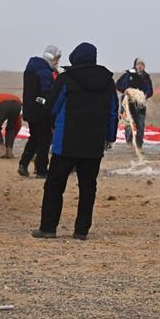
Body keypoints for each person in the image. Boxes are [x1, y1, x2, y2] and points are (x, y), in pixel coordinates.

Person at [32, 42, 117, 241]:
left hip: (66, 142)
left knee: (55, 185)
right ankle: (81, 230)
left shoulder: (65, 79)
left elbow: (52, 107)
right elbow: (113, 112)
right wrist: (109, 138)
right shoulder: (107, 82)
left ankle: (48, 228)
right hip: (94, 144)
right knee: (88, 187)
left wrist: (53, 124)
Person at [18, 45, 61, 178]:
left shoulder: (31, 70)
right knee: (44, 140)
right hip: (41, 112)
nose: (57, 62)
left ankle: (23, 164)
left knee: (34, 138)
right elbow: (46, 93)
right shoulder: (45, 72)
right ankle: (41, 170)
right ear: (50, 58)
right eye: (56, 59)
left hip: (30, 111)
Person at [116, 58, 154, 152]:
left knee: (140, 126)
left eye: (142, 64)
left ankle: (139, 146)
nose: (140, 66)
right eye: (138, 64)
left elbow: (150, 90)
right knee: (128, 124)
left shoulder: (146, 77)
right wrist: (125, 90)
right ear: (135, 65)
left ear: (144, 66)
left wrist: (145, 95)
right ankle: (129, 143)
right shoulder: (128, 75)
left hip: (140, 106)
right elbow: (118, 84)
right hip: (127, 104)